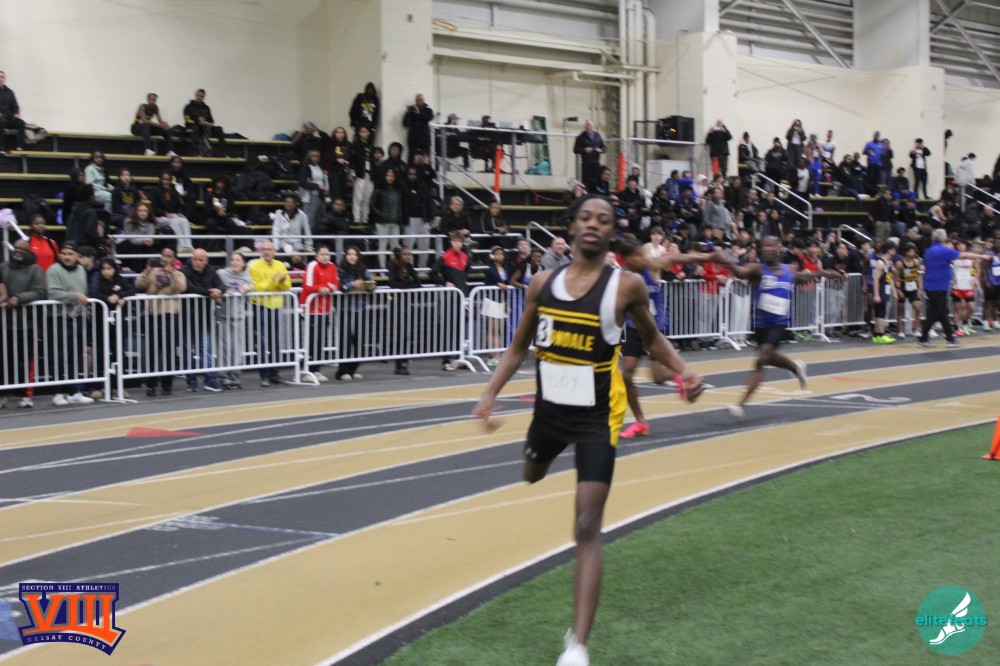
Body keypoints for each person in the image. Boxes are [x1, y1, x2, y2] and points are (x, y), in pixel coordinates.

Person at [471, 194, 704, 666]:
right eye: (585, 218)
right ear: (572, 228)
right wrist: (490, 392)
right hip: (548, 415)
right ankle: (538, 459)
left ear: (612, 232)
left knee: (586, 525)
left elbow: (652, 338)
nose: (593, 224)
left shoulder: (626, 286)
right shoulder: (543, 283)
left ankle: (578, 645)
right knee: (532, 473)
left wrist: (685, 371)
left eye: (603, 219)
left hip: (597, 418)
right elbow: (518, 347)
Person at [724, 236, 841, 417]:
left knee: (762, 360)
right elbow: (740, 272)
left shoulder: (789, 270)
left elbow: (803, 276)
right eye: (764, 246)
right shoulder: (757, 269)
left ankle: (740, 405)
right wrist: (725, 261)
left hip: (779, 324)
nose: (767, 249)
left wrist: (824, 273)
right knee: (769, 358)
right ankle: (795, 367)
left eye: (771, 245)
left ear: (779, 247)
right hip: (760, 324)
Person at [616, 235, 719, 438]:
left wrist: (706, 257)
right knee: (626, 376)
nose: (643, 258)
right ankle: (641, 422)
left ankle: (677, 375)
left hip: (654, 331)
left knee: (657, 378)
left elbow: (678, 258)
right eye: (638, 255)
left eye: (643, 253)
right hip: (633, 329)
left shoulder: (651, 266)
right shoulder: (621, 277)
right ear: (626, 259)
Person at [46, 243, 98, 406]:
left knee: (75, 355)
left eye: (70, 254)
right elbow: (53, 293)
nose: (67, 257)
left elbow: (84, 293)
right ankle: (58, 392)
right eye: (64, 253)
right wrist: (74, 295)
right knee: (59, 355)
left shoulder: (81, 270)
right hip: (59, 317)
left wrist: (86, 311)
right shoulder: (54, 270)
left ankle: (73, 391)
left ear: (77, 256)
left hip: (78, 316)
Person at [918, 228, 989, 347]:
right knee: (934, 313)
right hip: (938, 286)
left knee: (942, 313)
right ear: (943, 238)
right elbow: (964, 255)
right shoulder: (943, 250)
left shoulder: (929, 250)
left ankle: (949, 338)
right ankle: (925, 338)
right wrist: (981, 256)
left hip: (931, 285)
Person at [0, 239, 47, 408]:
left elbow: (41, 291)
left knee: (25, 360)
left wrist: (19, 298)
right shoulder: (3, 267)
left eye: (23, 249)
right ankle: (2, 395)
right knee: (3, 360)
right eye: (17, 247)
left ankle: (25, 395)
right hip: (4, 323)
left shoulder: (35, 269)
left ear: (28, 252)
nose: (19, 251)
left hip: (27, 323)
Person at [249, 240, 292, 386]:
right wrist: (273, 281)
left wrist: (281, 282)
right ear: (261, 251)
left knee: (276, 341)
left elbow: (287, 286)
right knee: (262, 341)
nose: (267, 252)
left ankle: (275, 373)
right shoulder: (254, 266)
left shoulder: (280, 265)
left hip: (276, 306)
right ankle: (264, 375)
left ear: (274, 251)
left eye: (269, 249)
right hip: (261, 306)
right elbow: (257, 288)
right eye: (264, 249)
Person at [181, 249, 224, 392]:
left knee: (206, 348)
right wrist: (210, 292)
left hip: (205, 316)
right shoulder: (184, 271)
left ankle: (210, 379)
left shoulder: (211, 270)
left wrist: (219, 291)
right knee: (188, 349)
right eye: (195, 259)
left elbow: (221, 285)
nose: (197, 262)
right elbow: (188, 288)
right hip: (187, 316)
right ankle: (191, 381)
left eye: (200, 260)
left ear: (206, 261)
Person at [300, 245, 340, 383]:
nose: (325, 257)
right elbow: (307, 287)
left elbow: (335, 284)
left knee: (320, 340)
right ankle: (309, 370)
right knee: (312, 340)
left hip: (325, 310)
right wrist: (321, 287)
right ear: (317, 256)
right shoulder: (312, 266)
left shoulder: (332, 266)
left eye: (327, 254)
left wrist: (328, 287)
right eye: (322, 254)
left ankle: (315, 369)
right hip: (311, 309)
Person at [336, 245, 376, 380]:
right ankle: (342, 371)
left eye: (355, 254)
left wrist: (370, 285)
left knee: (360, 340)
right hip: (345, 309)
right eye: (349, 254)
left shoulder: (363, 269)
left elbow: (370, 284)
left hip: (360, 309)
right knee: (345, 340)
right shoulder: (341, 269)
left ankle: (353, 369)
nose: (352, 257)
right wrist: (352, 284)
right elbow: (341, 286)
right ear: (345, 256)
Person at [216, 251, 254, 389]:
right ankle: (223, 376)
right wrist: (223, 290)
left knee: (237, 348)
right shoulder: (222, 273)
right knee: (224, 347)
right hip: (224, 316)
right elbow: (214, 283)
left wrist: (249, 289)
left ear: (243, 263)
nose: (234, 263)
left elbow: (251, 291)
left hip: (239, 317)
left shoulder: (247, 277)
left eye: (238, 260)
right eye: (232, 260)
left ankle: (235, 375)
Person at [387, 245, 422, 375]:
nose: (408, 257)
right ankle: (398, 363)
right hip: (396, 303)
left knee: (406, 334)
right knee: (398, 333)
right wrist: (407, 285)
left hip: (407, 303)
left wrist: (405, 286)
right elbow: (392, 284)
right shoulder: (393, 266)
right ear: (399, 255)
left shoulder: (409, 266)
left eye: (409, 254)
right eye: (405, 254)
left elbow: (418, 283)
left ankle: (404, 360)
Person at [370, 168, 403, 268]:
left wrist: (399, 218)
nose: (390, 178)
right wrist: (381, 215)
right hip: (382, 222)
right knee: (383, 245)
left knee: (395, 246)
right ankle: (382, 269)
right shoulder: (379, 188)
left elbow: (399, 206)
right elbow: (372, 204)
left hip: (395, 221)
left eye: (392, 176)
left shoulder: (397, 189)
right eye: (388, 175)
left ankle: (394, 268)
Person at [870, 241, 898, 344]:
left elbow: (889, 278)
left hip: (886, 289)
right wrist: (876, 294)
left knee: (880, 312)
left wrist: (894, 291)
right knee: (880, 312)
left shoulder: (889, 263)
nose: (895, 252)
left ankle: (877, 335)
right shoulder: (880, 263)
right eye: (893, 249)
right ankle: (881, 334)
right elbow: (876, 279)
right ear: (889, 250)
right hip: (881, 289)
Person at [183, 88, 225, 156]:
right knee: (195, 128)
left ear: (204, 97)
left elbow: (211, 120)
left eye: (201, 96)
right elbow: (187, 120)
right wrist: (198, 123)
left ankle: (223, 152)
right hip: (191, 127)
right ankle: (196, 152)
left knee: (219, 129)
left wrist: (209, 124)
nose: (199, 98)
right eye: (198, 96)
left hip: (205, 129)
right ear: (195, 95)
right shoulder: (188, 107)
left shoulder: (206, 108)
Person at [895, 242, 924, 337]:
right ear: (905, 252)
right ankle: (900, 330)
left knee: (917, 307)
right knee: (901, 309)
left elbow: (917, 275)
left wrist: (920, 288)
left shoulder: (916, 262)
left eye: (913, 251)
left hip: (912, 286)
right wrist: (898, 290)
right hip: (903, 286)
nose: (912, 253)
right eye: (910, 251)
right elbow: (896, 278)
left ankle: (916, 328)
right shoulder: (900, 263)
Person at [350, 126, 375, 225]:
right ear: (359, 133)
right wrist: (353, 172)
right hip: (359, 174)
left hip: (369, 174)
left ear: (368, 133)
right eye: (361, 131)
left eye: (365, 131)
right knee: (358, 197)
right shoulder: (355, 144)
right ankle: (356, 218)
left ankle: (365, 218)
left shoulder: (370, 146)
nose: (363, 133)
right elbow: (352, 159)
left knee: (367, 198)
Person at [573, 120, 606, 192]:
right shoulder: (580, 137)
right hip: (586, 163)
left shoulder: (598, 136)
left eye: (590, 125)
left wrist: (601, 150)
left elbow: (604, 148)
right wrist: (584, 150)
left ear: (593, 126)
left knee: (596, 180)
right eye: (587, 125)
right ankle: (587, 194)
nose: (589, 126)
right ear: (585, 126)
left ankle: (595, 194)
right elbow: (575, 150)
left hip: (596, 162)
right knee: (586, 181)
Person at [0, 70, 26, 153]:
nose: (0, 79)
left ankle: (19, 146)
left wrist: (16, 113)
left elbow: (15, 106)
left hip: (8, 118)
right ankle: (1, 147)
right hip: (1, 119)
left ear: (4, 79)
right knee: (2, 122)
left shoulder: (10, 92)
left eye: (2, 77)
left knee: (21, 123)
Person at [403, 93, 434, 160]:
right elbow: (405, 124)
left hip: (424, 139)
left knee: (425, 159)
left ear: (423, 100)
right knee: (412, 159)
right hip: (413, 139)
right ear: (415, 101)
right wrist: (407, 113)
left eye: (421, 100)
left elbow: (429, 118)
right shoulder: (412, 109)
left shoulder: (428, 109)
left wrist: (419, 113)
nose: (419, 102)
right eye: (418, 100)